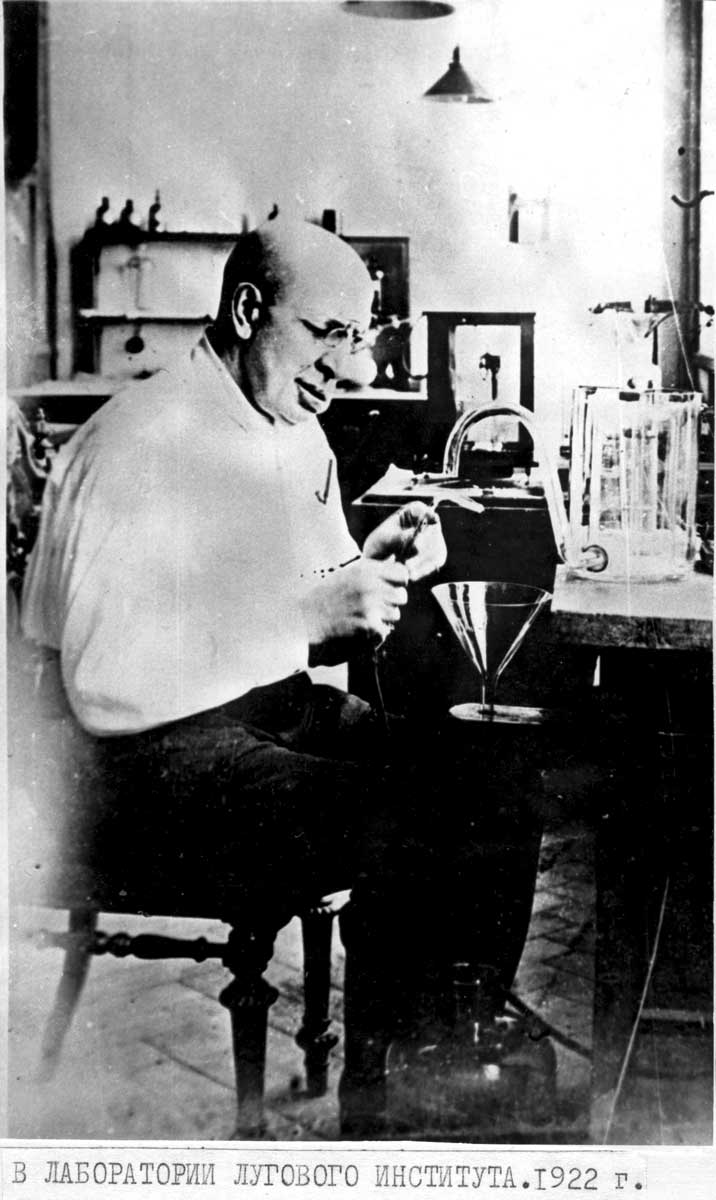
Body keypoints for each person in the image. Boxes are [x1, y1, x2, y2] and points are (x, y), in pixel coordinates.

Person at [21, 216, 541, 1135]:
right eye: (326, 334)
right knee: (403, 816)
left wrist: (365, 569)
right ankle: (392, 1098)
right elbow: (104, 684)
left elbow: (305, 600)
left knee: (490, 778)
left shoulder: (294, 428)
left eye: (358, 336)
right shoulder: (136, 443)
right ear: (247, 311)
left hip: (258, 712)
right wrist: (305, 616)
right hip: (127, 763)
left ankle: (452, 1041)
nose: (348, 367)